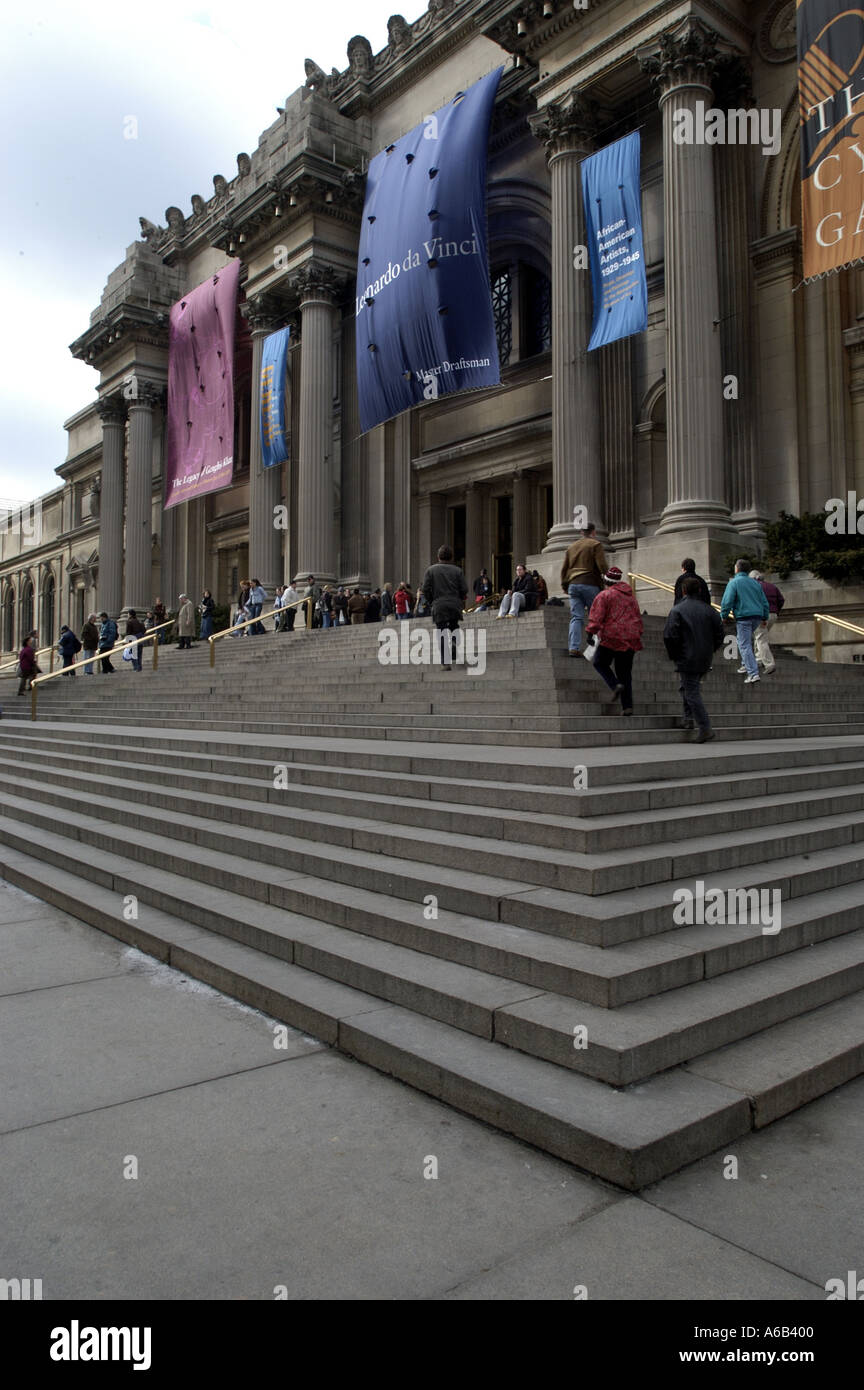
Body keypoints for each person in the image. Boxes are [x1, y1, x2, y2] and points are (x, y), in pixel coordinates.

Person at [663, 577, 726, 743]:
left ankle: (705, 727)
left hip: (686, 656)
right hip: (704, 656)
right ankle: (688, 718)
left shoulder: (677, 610)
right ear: (699, 591)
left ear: (683, 591)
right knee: (688, 686)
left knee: (691, 691)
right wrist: (710, 649)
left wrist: (675, 654)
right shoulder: (710, 611)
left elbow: (670, 636)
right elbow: (720, 634)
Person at [584, 567, 643, 715]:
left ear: (606, 581)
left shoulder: (604, 595)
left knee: (600, 663)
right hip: (630, 638)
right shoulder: (631, 598)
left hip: (611, 637)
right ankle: (627, 706)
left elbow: (596, 616)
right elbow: (638, 616)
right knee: (625, 673)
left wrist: (590, 633)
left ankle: (615, 685)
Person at [560, 522, 607, 656]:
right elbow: (602, 565)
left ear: (581, 533)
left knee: (576, 617)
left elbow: (564, 569)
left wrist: (565, 585)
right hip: (590, 583)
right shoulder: (595, 545)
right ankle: (598, 647)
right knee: (597, 617)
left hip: (573, 585)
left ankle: (573, 647)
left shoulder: (571, 547)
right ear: (593, 532)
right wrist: (608, 579)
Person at [720, 559, 769, 684]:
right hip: (757, 616)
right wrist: (764, 617)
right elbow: (764, 601)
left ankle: (753, 673)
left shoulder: (734, 582)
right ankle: (744, 664)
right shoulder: (756, 583)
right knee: (747, 641)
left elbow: (727, 601)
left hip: (744, 616)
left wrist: (724, 615)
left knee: (744, 644)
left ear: (736, 568)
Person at [421, 544, 468, 670]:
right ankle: (454, 642)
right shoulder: (457, 570)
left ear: (438, 557)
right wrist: (459, 598)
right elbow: (464, 589)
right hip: (454, 603)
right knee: (454, 626)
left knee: (441, 632)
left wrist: (432, 601)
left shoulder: (431, 570)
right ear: (451, 557)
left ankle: (445, 663)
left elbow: (425, 589)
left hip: (439, 604)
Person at [750, 569, 785, 674]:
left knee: (761, 639)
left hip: (761, 615)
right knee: (760, 636)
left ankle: (769, 663)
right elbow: (781, 600)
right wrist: (776, 611)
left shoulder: (755, 587)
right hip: (773, 614)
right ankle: (758, 660)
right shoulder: (772, 586)